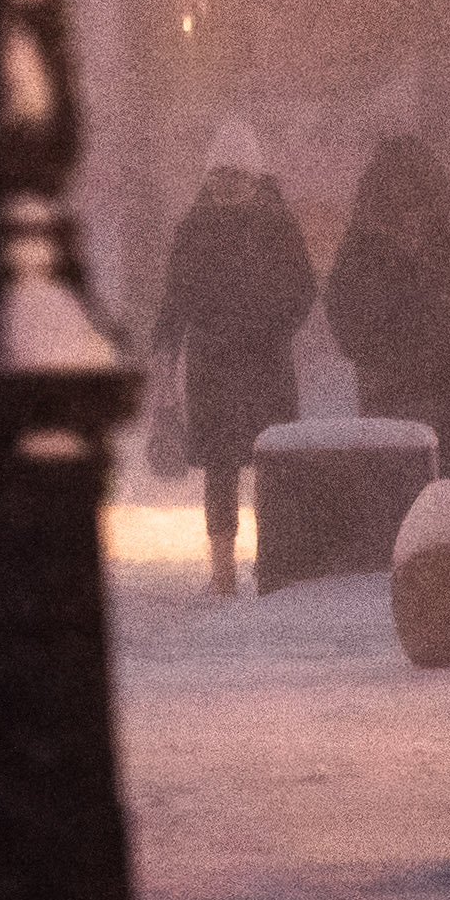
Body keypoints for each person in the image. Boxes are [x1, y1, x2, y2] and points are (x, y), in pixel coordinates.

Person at [151, 121, 320, 598]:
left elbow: (302, 290)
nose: (227, 186)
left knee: (272, 467)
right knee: (221, 469)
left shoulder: (274, 225)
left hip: (258, 364)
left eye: (236, 176)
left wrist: (269, 328)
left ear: (254, 175)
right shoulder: (198, 227)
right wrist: (166, 348)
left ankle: (273, 567)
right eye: (220, 177)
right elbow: (174, 299)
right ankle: (224, 574)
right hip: (218, 367)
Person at [320, 134, 450, 478]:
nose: (410, 213)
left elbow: (349, 322)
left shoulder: (364, 247)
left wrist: (403, 347)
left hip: (408, 396)